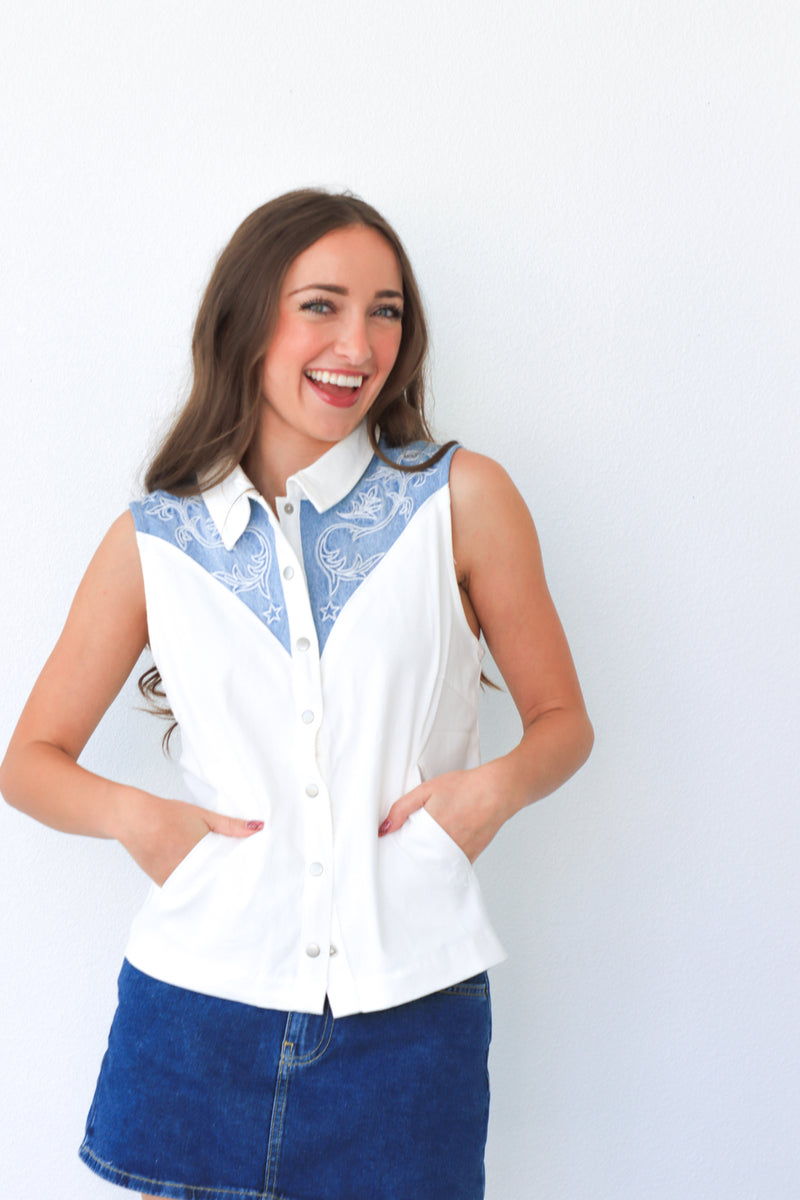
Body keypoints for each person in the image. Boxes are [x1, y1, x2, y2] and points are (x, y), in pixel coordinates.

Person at [0, 188, 593, 1200]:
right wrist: (141, 821)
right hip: (195, 1016)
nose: (356, 343)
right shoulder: (153, 541)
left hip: (407, 1014)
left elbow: (560, 724)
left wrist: (484, 795)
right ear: (245, 321)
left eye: (385, 310)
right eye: (320, 304)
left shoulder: (461, 499)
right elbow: (30, 762)